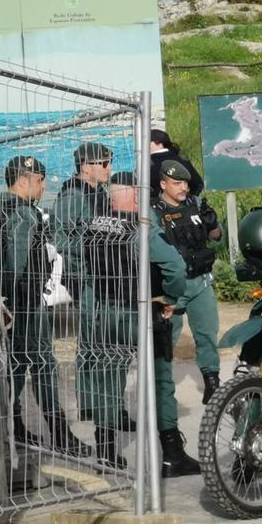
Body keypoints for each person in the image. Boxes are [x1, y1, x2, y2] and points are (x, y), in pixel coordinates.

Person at [82, 172, 198, 476]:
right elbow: (175, 266)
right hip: (142, 314)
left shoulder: (93, 226)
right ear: (135, 196)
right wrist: (171, 298)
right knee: (160, 382)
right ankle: (172, 454)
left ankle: (106, 454)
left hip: (106, 313)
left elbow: (81, 267)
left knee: (107, 382)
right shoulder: (140, 230)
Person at [0, 156, 91, 457]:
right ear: (23, 180)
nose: (43, 186)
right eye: (39, 181)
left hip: (14, 304)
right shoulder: (22, 215)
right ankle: (59, 435)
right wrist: (7, 304)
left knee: (16, 367)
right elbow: (16, 264)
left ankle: (15, 427)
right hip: (24, 305)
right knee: (42, 366)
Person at [54, 142, 136, 433]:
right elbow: (63, 240)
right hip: (89, 278)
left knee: (103, 345)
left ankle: (104, 406)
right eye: (103, 164)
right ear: (86, 166)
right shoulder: (73, 197)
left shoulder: (98, 193)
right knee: (98, 345)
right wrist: (94, 251)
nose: (108, 169)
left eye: (109, 163)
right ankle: (100, 407)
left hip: (105, 274)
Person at [151, 161, 223, 404]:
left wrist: (212, 222)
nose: (183, 188)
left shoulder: (195, 203)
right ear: (163, 184)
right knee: (166, 341)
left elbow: (216, 236)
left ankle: (213, 382)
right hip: (172, 287)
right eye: (177, 183)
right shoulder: (154, 211)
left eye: (185, 183)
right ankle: (160, 392)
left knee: (207, 334)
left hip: (200, 282)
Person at [149, 129, 203, 198]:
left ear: (155, 143)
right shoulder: (183, 160)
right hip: (183, 206)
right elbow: (198, 184)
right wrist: (187, 201)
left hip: (155, 206)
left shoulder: (147, 165)